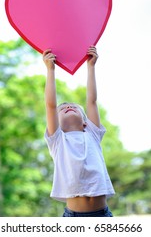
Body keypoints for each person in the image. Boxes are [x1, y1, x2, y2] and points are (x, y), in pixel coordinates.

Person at [43, 46, 115, 217]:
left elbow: (92, 101)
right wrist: (50, 70)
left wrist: (91, 67)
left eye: (74, 107)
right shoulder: (58, 140)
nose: (68, 106)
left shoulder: (92, 134)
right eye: (63, 109)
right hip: (73, 218)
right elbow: (50, 104)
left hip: (103, 215)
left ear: (85, 123)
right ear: (57, 123)